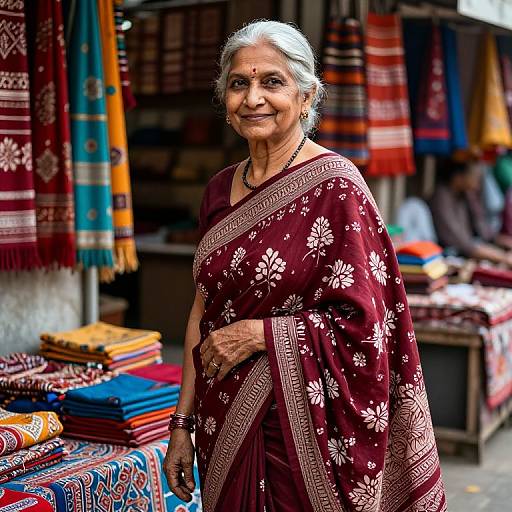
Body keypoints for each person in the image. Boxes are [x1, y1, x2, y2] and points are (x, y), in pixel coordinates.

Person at [163, 20, 446, 512]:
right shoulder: (216, 190)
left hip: (303, 435)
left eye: (272, 81)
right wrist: (181, 426)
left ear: (307, 94)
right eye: (238, 83)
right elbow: (202, 309)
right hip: (221, 419)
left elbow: (369, 326)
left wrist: (262, 335)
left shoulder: (337, 188)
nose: (253, 98)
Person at [430, 159, 512, 265]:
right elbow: (462, 245)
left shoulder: (464, 195)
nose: (477, 183)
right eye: (474, 177)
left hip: (471, 250)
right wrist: (503, 257)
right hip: (452, 258)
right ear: (458, 177)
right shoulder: (442, 198)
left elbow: (484, 231)